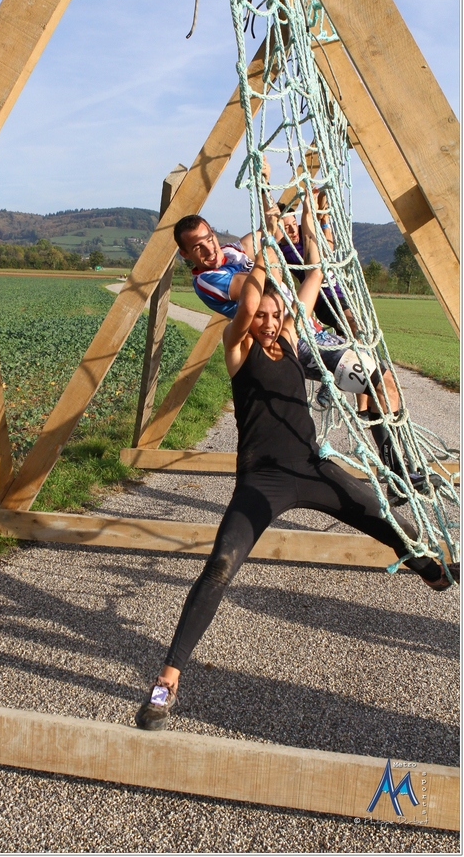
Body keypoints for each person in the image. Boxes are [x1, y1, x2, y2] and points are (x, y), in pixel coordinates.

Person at [136, 199, 457, 733]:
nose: (267, 323)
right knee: (220, 565)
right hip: (260, 482)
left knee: (383, 517)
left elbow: (311, 277)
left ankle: (431, 569)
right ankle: (168, 679)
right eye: (260, 317)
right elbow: (248, 302)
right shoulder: (237, 347)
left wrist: (305, 223)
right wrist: (264, 244)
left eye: (274, 316)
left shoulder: (289, 334)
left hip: (312, 468)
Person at [174, 209, 437, 503]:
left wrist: (281, 210)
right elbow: (260, 287)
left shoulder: (232, 250)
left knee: (385, 384)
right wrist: (269, 247)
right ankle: (400, 477)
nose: (209, 248)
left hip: (313, 331)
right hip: (291, 341)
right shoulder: (208, 280)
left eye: (209, 238)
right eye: (198, 247)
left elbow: (269, 229)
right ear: (186, 254)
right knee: (381, 384)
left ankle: (399, 472)